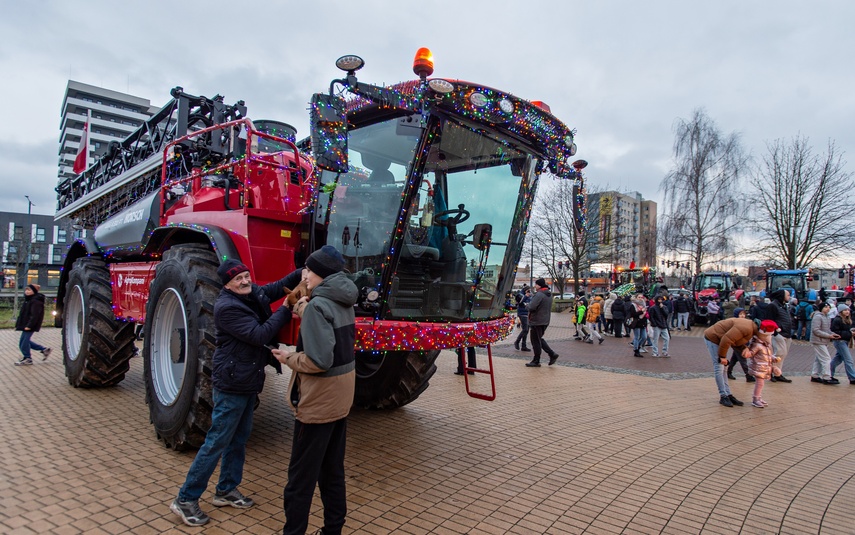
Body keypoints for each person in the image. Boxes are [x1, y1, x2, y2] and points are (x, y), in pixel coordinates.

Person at [171, 259, 295, 527]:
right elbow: (260, 334)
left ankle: (226, 490)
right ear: (226, 284)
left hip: (247, 381)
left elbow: (279, 286)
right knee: (216, 441)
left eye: (246, 276)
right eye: (238, 279)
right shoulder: (227, 307)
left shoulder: (252, 293)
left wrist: (304, 271)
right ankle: (185, 498)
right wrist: (285, 310)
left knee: (239, 438)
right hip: (232, 384)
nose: (245, 281)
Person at [272, 245, 358, 535]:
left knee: (300, 480)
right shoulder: (344, 299)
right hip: (340, 398)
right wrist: (303, 306)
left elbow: (319, 361)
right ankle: (333, 530)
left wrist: (288, 358)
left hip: (318, 402)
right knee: (332, 471)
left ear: (321, 273)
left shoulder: (318, 307)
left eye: (308, 269)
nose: (303, 274)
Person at [704, 317, 756, 407]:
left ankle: (728, 394)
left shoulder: (750, 328)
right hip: (713, 338)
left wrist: (744, 348)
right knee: (719, 366)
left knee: (724, 368)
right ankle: (723, 396)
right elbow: (727, 339)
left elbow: (735, 341)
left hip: (719, 339)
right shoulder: (746, 327)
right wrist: (722, 357)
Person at [746, 320, 782, 408]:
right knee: (760, 383)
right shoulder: (758, 345)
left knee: (761, 384)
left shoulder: (766, 345)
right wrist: (746, 352)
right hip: (759, 367)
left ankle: (758, 397)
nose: (770, 337)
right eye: (768, 336)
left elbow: (768, 356)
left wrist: (774, 358)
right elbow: (751, 354)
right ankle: (755, 399)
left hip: (764, 367)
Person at [13, 284, 51, 366]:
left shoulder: (35, 301)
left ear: (34, 291)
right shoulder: (28, 300)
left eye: (29, 290)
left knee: (23, 343)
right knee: (24, 342)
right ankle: (44, 349)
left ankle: (28, 358)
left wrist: (29, 326)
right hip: (26, 325)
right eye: (26, 289)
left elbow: (35, 315)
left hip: (30, 326)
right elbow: (24, 314)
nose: (27, 291)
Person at [526, 278, 559, 367]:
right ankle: (552, 354)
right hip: (544, 320)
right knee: (539, 338)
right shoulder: (548, 294)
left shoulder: (539, 294)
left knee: (535, 341)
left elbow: (532, 307)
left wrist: (527, 305)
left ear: (539, 285)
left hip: (536, 321)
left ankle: (537, 360)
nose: (535, 286)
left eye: (536, 284)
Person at [765, 289, 794, 383]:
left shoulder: (784, 306)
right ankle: (771, 373)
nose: (789, 297)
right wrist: (775, 333)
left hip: (787, 333)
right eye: (788, 295)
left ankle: (778, 373)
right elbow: (769, 320)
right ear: (782, 296)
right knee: (778, 354)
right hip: (779, 334)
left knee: (783, 354)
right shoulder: (773, 306)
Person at [809, 302, 841, 384]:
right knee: (826, 359)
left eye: (829, 307)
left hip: (823, 340)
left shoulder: (827, 317)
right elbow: (816, 330)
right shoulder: (818, 316)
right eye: (826, 307)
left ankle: (815, 375)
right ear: (821, 308)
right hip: (818, 340)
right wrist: (828, 336)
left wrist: (832, 334)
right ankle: (826, 377)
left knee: (819, 359)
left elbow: (826, 329)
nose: (828, 308)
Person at [829, 305, 855, 384]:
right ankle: (852, 378)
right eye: (845, 310)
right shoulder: (837, 320)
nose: (847, 311)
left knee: (837, 359)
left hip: (845, 341)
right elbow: (835, 332)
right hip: (839, 341)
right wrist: (850, 333)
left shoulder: (848, 320)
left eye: (848, 310)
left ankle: (828, 374)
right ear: (840, 311)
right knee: (848, 360)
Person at [727, 308, 754, 382]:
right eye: (740, 314)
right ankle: (748, 375)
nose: (742, 316)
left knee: (734, 359)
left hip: (744, 343)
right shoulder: (735, 323)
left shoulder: (746, 322)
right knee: (743, 360)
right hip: (738, 344)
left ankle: (728, 372)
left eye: (743, 314)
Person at [513, 287, 532, 352]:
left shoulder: (529, 296)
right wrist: (526, 297)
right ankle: (517, 342)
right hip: (522, 313)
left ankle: (524, 346)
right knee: (525, 329)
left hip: (528, 314)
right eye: (528, 290)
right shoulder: (520, 295)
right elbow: (520, 303)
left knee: (526, 330)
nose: (529, 292)